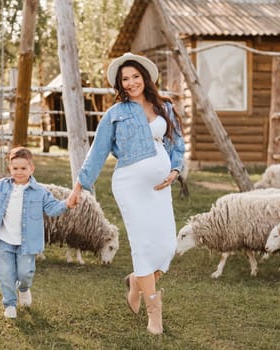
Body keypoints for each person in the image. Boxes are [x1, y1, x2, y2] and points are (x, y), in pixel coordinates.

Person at [67, 52, 185, 334]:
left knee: (166, 247)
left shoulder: (164, 107)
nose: (131, 83)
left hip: (159, 187)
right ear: (120, 84)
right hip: (129, 184)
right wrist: (78, 188)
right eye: (125, 79)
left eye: (135, 77)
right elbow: (97, 153)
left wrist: (175, 171)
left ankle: (136, 282)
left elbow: (178, 143)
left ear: (145, 77)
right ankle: (154, 311)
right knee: (143, 246)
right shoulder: (115, 114)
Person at [0, 146, 75, 319]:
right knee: (5, 273)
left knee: (25, 273)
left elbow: (52, 208)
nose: (19, 172)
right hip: (4, 240)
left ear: (31, 169)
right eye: (15, 168)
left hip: (27, 242)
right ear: (10, 168)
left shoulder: (39, 191)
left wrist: (66, 204)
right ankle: (9, 303)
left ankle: (24, 288)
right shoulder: (2, 185)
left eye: (23, 168)